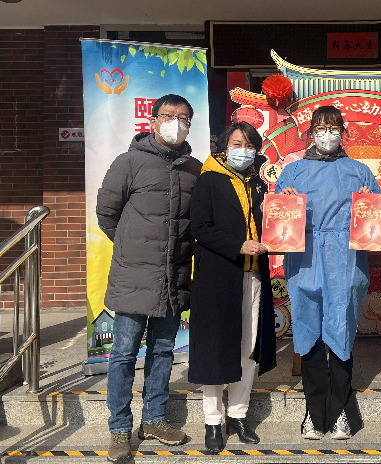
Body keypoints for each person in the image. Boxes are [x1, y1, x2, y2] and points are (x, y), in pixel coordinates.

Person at [97, 94, 202, 462]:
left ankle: (154, 419)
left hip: (174, 276)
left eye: (183, 118)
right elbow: (107, 214)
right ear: (153, 120)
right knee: (124, 354)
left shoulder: (195, 169)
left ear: (190, 124)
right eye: (169, 116)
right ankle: (119, 429)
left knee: (162, 351)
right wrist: (133, 248)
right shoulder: (128, 162)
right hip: (133, 276)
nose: (176, 123)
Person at [276, 106, 381, 441]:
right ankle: (314, 412)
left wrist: (375, 214)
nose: (327, 133)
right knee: (308, 330)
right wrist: (284, 200)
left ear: (343, 132)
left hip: (345, 259)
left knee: (341, 330)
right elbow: (277, 217)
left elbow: (376, 216)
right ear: (310, 132)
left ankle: (340, 409)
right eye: (321, 127)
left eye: (333, 127)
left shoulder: (359, 171)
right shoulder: (293, 171)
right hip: (305, 257)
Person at [188, 122, 277, 453]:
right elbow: (200, 228)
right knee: (215, 347)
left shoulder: (258, 183)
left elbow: (269, 223)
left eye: (250, 144)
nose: (244, 150)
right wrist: (239, 246)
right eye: (237, 143)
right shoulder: (208, 180)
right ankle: (213, 421)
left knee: (248, 347)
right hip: (218, 275)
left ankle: (238, 415)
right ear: (224, 147)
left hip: (254, 276)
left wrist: (282, 208)